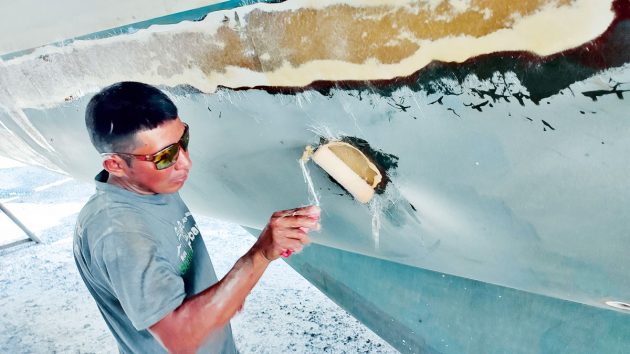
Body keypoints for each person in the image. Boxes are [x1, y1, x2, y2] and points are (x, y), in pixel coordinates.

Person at [73, 81, 320, 354]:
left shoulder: (151, 185)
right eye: (165, 156)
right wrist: (260, 254)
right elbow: (181, 338)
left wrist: (229, 296)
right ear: (115, 165)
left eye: (183, 141)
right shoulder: (119, 235)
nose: (185, 162)